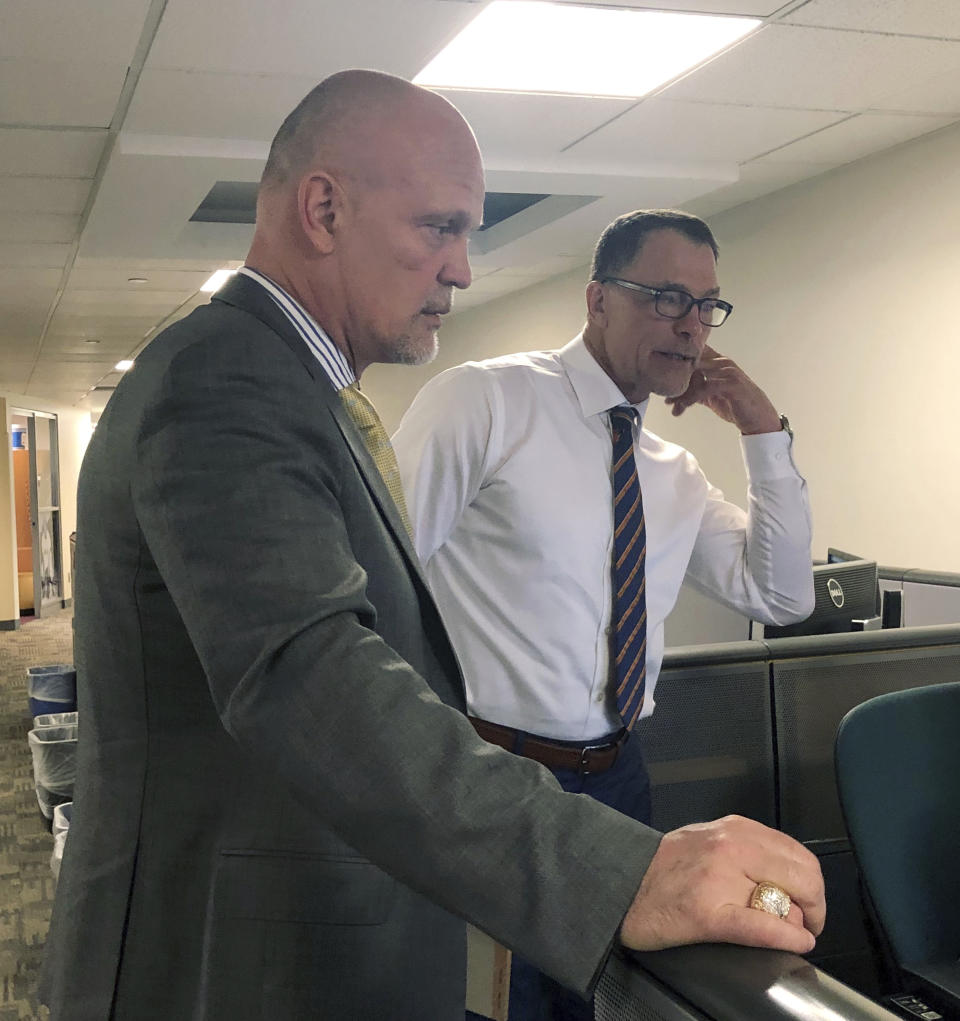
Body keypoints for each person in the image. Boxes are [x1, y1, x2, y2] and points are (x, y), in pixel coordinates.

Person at [40, 76, 823, 1021]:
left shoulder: (302, 395)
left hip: (370, 875)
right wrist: (622, 874)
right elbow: (311, 672)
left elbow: (777, 593)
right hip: (227, 948)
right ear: (324, 208)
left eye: (469, 236)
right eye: (439, 229)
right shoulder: (227, 376)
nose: (461, 269)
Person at [393, 208, 815, 1019]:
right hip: (494, 776)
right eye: (665, 297)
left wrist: (763, 430)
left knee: (599, 1001)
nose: (691, 326)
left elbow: (782, 594)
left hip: (620, 777)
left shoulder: (673, 471)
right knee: (492, 1006)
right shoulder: (486, 403)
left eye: (706, 306)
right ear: (597, 300)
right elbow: (381, 578)